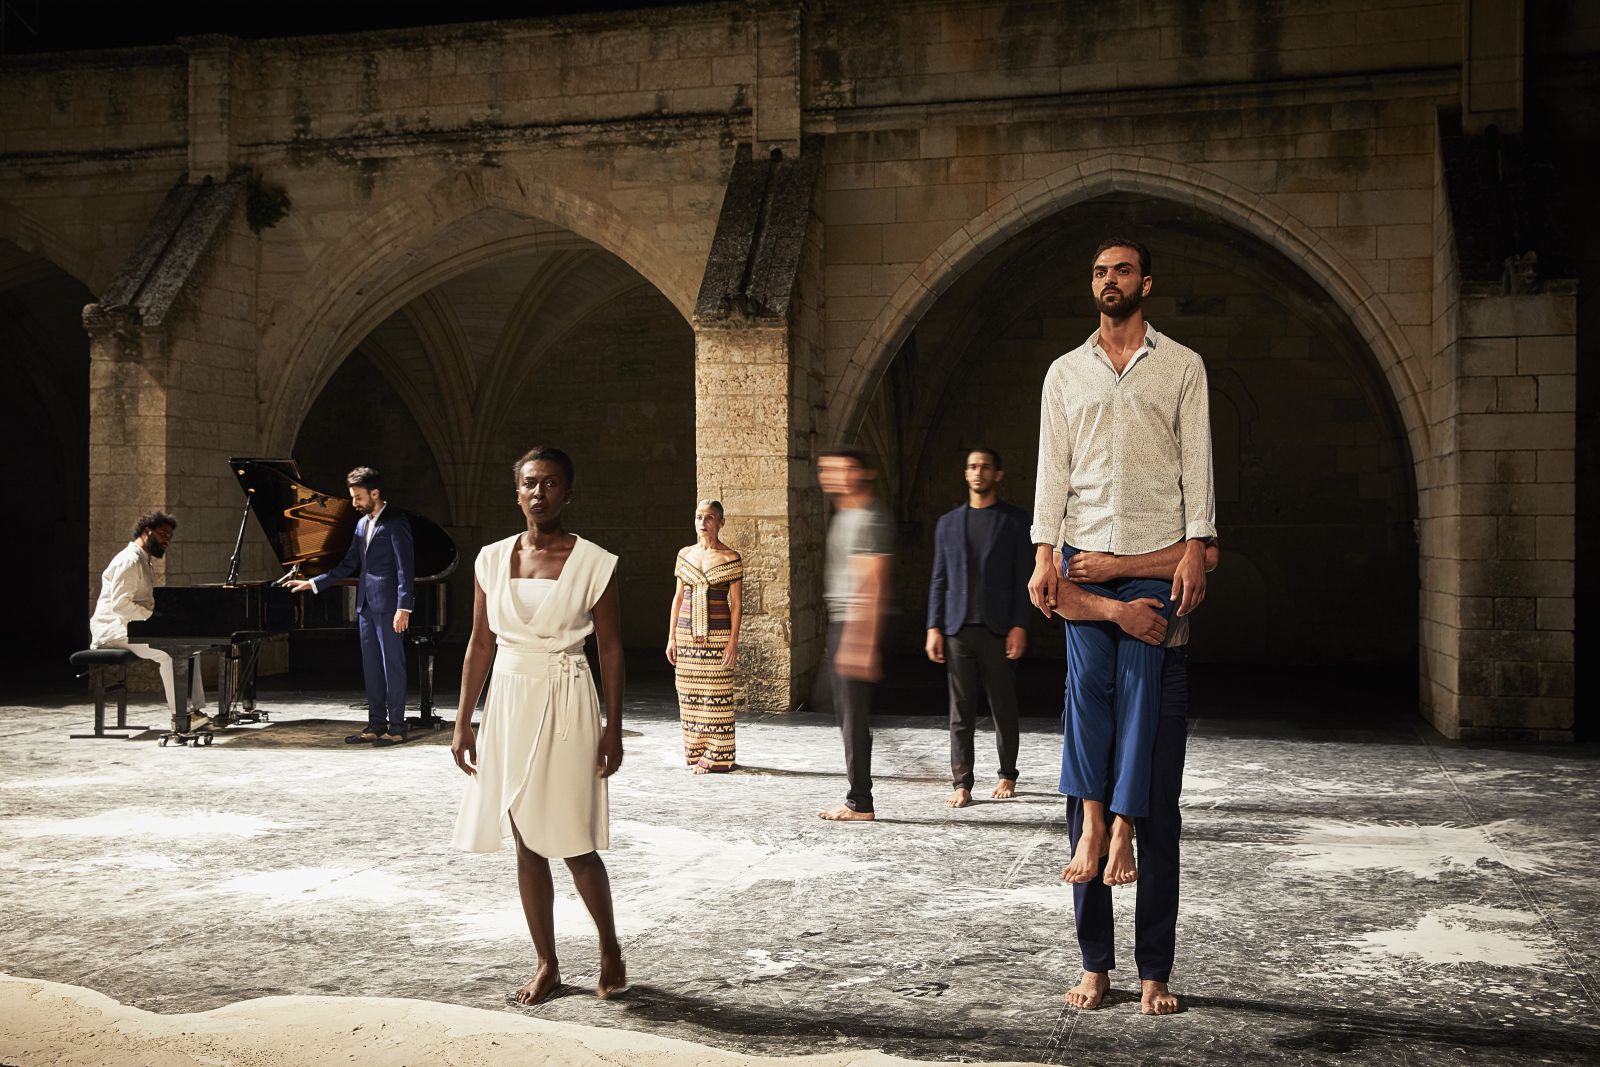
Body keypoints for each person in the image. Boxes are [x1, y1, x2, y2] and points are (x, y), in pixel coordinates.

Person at [1027, 237, 1216, 888]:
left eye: (1123, 270)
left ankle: (1126, 826)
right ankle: (1092, 820)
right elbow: (1052, 475)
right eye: (1100, 270)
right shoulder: (1064, 373)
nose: (1111, 279)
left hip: (1152, 550)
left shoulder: (1183, 366)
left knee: (1140, 687)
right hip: (1083, 547)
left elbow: (1199, 467)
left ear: (1146, 284)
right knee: (1086, 694)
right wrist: (1043, 551)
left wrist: (1195, 543)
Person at [450, 445, 626, 1005]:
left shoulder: (595, 562)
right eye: (529, 483)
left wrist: (613, 727)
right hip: (508, 697)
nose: (539, 493)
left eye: (550, 484)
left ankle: (609, 947)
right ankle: (547, 963)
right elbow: (479, 644)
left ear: (567, 493)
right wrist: (463, 720)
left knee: (572, 837)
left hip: (569, 697)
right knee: (526, 837)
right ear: (516, 490)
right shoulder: (489, 559)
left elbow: (613, 652)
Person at [1053, 540, 1218, 1017]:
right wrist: (1116, 609)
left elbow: (1205, 558)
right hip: (1097, 653)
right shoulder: (1076, 507)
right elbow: (1054, 591)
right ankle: (1095, 964)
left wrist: (1116, 567)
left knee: (1160, 819)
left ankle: (1154, 971)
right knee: (1087, 813)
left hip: (1164, 663)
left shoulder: (1170, 501)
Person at [925, 448, 1032, 808]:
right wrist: (933, 627)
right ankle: (962, 782)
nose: (978, 472)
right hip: (957, 629)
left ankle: (1007, 775)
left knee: (1004, 706)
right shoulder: (948, 523)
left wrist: (1019, 624)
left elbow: (1023, 579)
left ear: (998, 475)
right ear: (965, 473)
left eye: (985, 467)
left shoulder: (1015, 522)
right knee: (961, 711)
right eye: (972, 466)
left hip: (999, 629)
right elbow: (938, 578)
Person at [287, 466, 414, 746]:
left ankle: (397, 727)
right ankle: (376, 725)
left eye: (358, 497)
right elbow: (348, 564)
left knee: (392, 666)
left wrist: (403, 607)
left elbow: (406, 568)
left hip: (390, 605)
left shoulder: (395, 521)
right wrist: (315, 582)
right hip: (366, 605)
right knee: (371, 667)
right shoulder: (361, 524)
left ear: (375, 493)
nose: (354, 503)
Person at [816, 447, 893, 823]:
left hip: (854, 623)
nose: (829, 475)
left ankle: (860, 802)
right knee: (851, 719)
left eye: (839, 469)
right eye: (826, 469)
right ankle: (858, 796)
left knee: (854, 720)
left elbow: (873, 577)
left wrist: (861, 639)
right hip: (843, 623)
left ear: (861, 473)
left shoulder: (867, 518)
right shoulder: (845, 515)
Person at [89, 511, 208, 731]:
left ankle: (194, 710)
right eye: (163, 534)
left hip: (129, 628)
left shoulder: (143, 560)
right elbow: (120, 606)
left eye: (170, 537)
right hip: (112, 631)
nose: (167, 541)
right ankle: (179, 715)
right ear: (147, 532)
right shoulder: (129, 560)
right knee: (171, 654)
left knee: (191, 647)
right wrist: (153, 619)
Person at [667, 499, 744, 773]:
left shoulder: (730, 557)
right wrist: (671, 638)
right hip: (687, 637)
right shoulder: (685, 554)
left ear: (721, 522)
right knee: (689, 695)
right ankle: (696, 751)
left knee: (716, 694)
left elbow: (736, 604)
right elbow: (677, 598)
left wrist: (733, 641)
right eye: (699, 516)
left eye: (710, 518)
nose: (703, 523)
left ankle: (717, 755)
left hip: (718, 635)